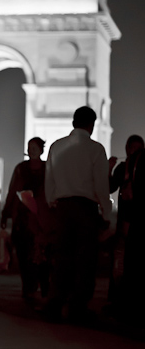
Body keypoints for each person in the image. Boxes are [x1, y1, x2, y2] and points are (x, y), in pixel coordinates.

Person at [44, 106, 111, 322]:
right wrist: (107, 213)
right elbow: (101, 185)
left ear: (73, 122)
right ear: (92, 124)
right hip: (86, 209)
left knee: (61, 257)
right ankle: (78, 307)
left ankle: (55, 302)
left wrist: (51, 202)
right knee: (85, 260)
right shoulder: (96, 149)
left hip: (62, 208)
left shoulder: (56, 146)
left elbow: (49, 180)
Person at [1, 137, 53, 301]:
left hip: (41, 219)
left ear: (41, 149)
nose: (31, 150)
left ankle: (44, 286)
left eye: (34, 147)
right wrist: (6, 212)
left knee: (43, 255)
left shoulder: (48, 168)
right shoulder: (21, 168)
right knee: (23, 255)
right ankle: (29, 287)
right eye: (29, 147)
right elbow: (12, 190)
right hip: (23, 219)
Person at [107, 135, 144, 312]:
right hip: (128, 222)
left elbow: (108, 187)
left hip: (128, 221)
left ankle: (120, 300)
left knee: (123, 260)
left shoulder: (124, 167)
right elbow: (110, 187)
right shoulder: (124, 168)